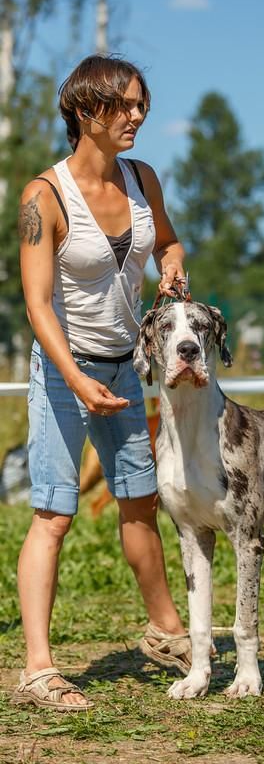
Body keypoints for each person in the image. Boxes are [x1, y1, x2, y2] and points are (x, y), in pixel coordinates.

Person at [12, 55, 192, 712]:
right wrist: (74, 379)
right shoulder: (43, 196)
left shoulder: (143, 179)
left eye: (143, 104)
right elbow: (37, 305)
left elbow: (169, 243)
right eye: (127, 105)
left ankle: (167, 632)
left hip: (124, 367)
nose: (138, 116)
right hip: (65, 372)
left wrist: (172, 270)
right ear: (88, 110)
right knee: (55, 515)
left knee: (140, 502)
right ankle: (38, 670)